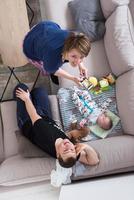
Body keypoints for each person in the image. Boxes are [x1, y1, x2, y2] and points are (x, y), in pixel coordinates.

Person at [14, 83, 99, 168]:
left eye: (65, 150)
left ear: (58, 155)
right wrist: (86, 147)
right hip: (46, 119)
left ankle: (24, 96)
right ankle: (33, 94)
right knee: (40, 91)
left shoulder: (46, 135)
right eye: (72, 150)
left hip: (29, 120)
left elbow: (33, 115)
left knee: (21, 88)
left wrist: (26, 99)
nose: (68, 146)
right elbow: (94, 161)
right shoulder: (69, 154)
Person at [23, 20, 91, 85]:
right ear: (66, 50)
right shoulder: (53, 58)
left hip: (45, 26)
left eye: (81, 57)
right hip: (30, 45)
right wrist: (73, 78)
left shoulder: (74, 37)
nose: (77, 62)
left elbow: (78, 52)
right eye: (74, 56)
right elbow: (52, 69)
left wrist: (81, 66)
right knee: (47, 67)